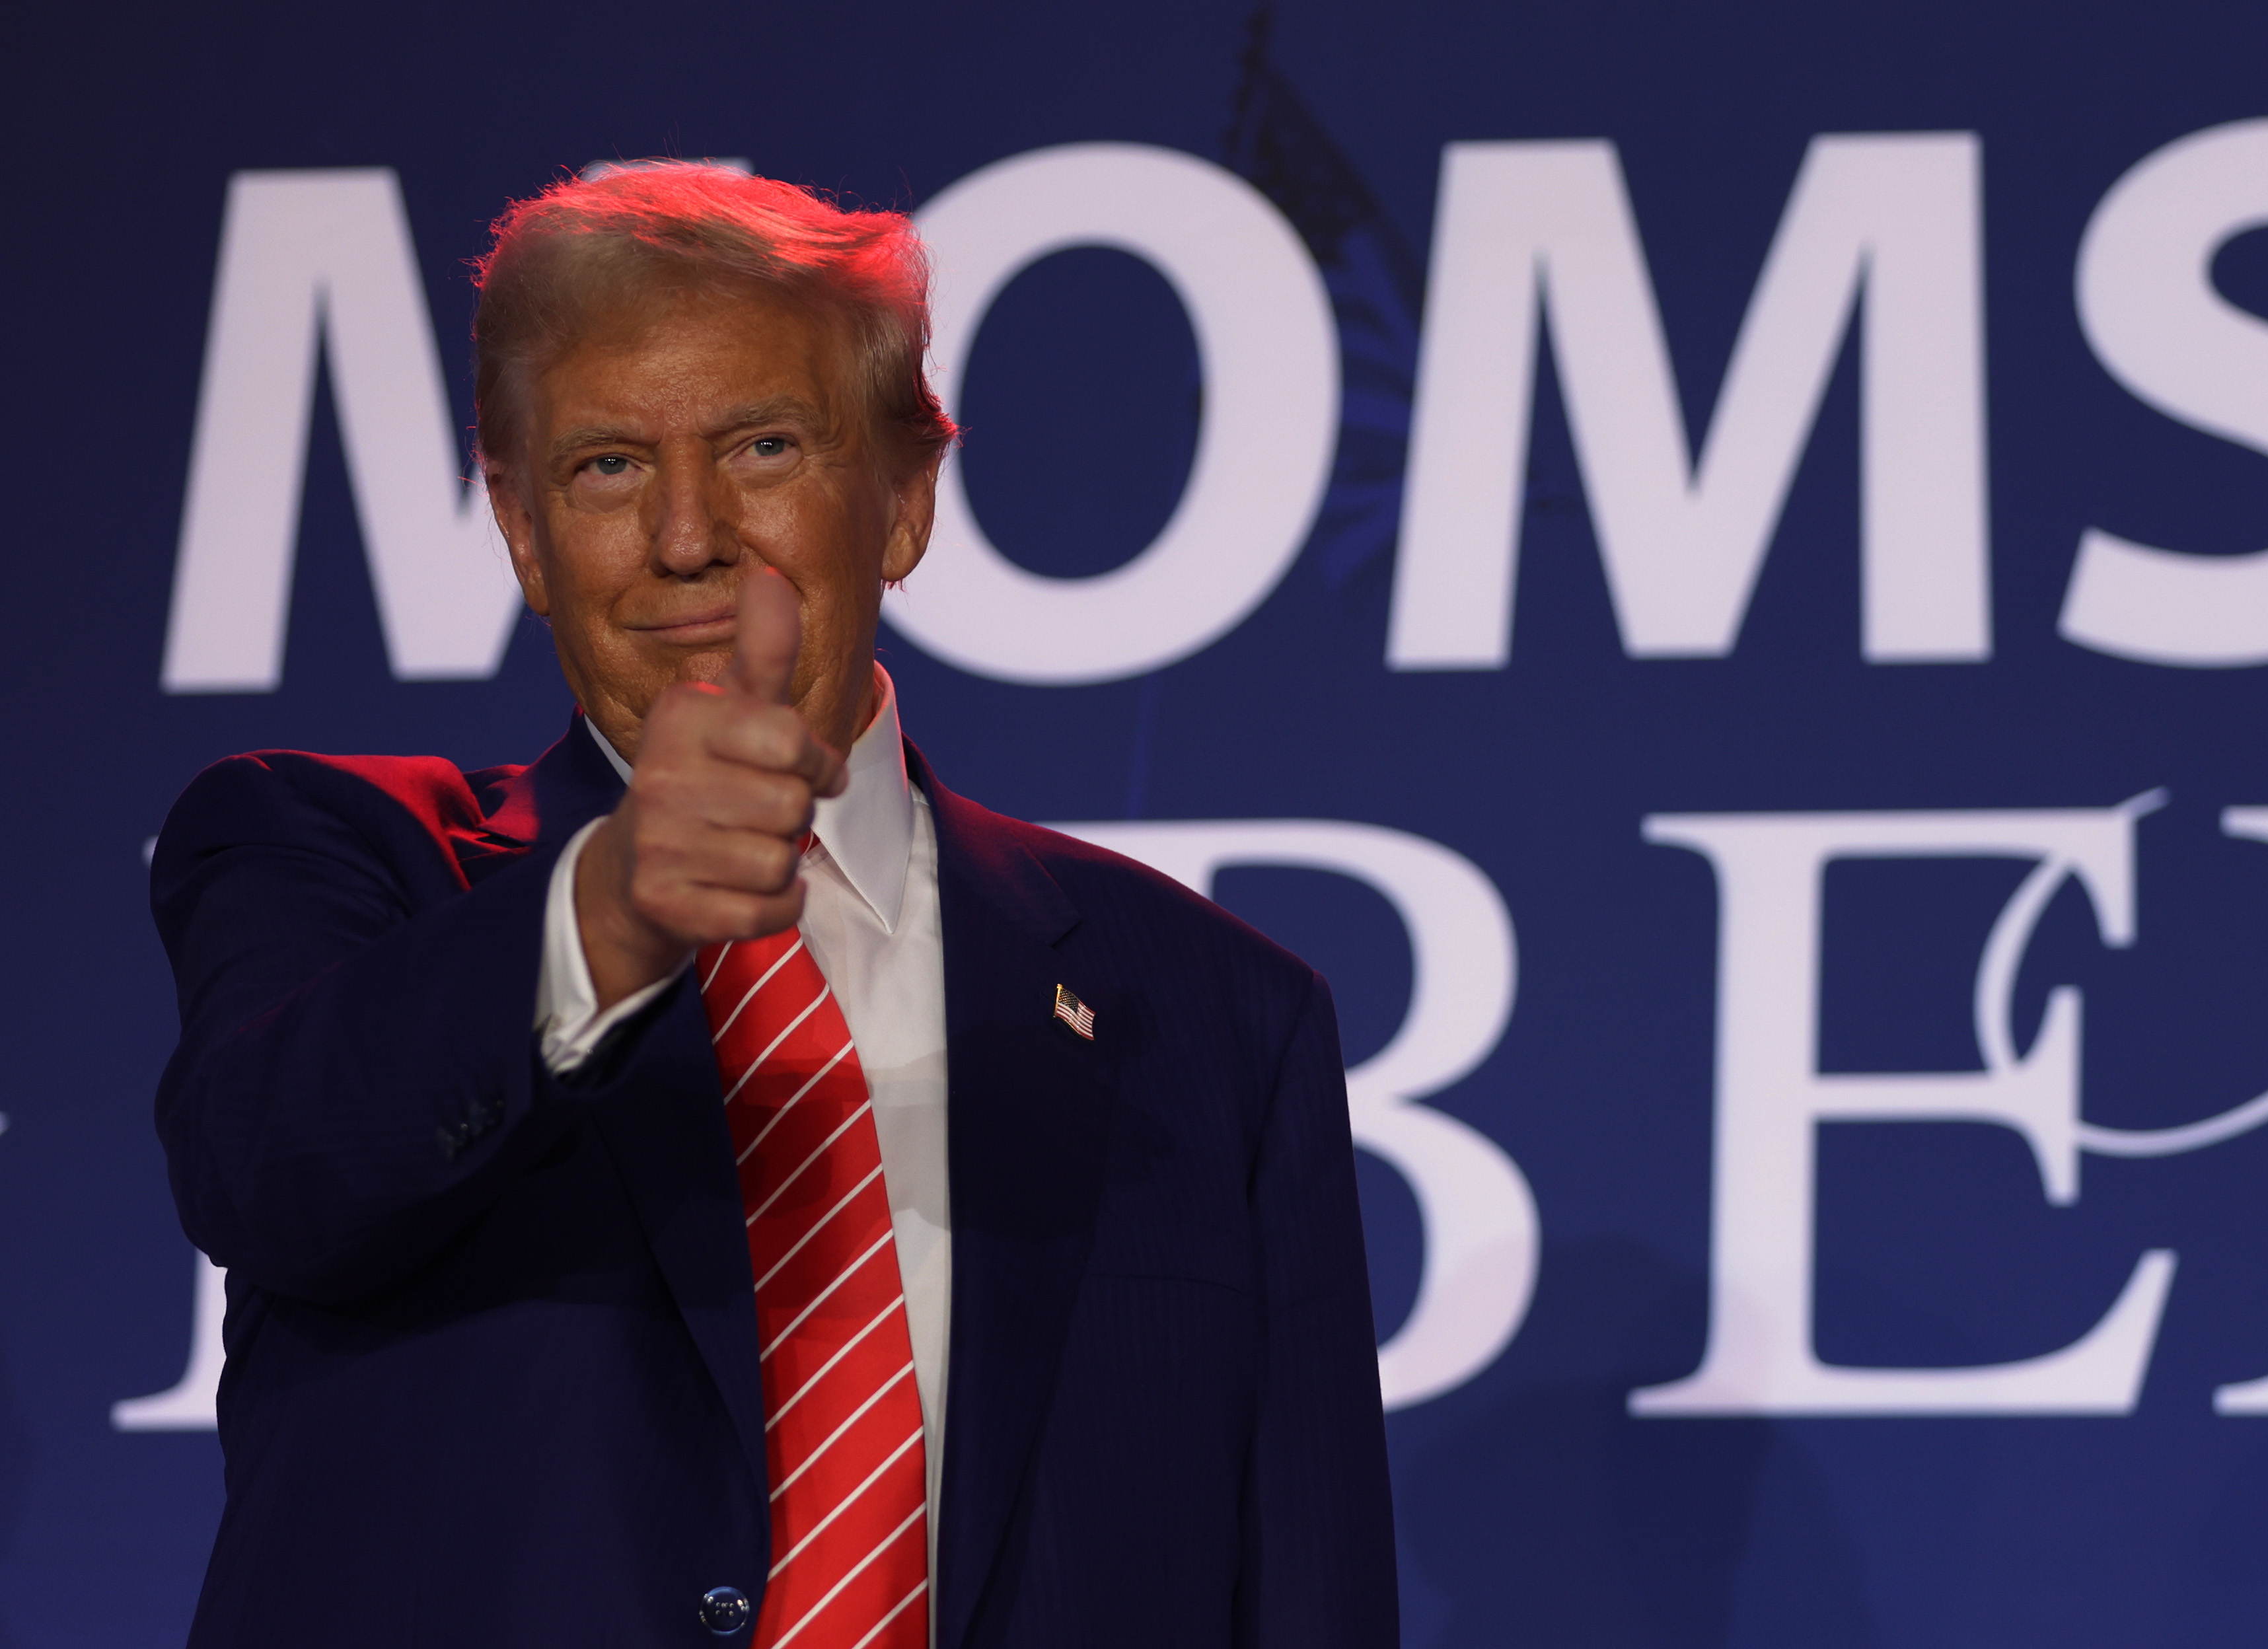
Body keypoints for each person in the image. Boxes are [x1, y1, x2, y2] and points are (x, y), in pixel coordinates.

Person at [148, 163, 1395, 1649]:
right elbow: (270, 1166)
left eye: (762, 446)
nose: (686, 535)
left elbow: (1309, 1591)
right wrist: (602, 917)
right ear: (523, 528)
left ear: (906, 501)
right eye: (607, 465)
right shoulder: (333, 858)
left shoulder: (1213, 1016)